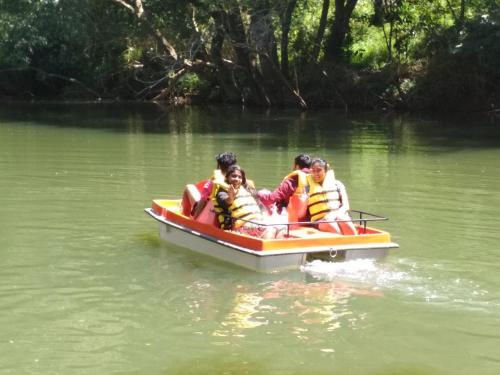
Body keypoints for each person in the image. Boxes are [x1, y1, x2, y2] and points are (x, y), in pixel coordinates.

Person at [215, 165, 284, 239]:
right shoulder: (223, 192)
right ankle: (268, 248)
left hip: (256, 222)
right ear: (227, 177)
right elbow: (225, 201)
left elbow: (259, 205)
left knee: (282, 228)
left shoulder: (245, 190)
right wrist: (231, 197)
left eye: (239, 177)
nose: (237, 179)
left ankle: (278, 248)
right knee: (270, 230)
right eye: (233, 176)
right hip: (242, 225)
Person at [306, 158, 357, 235]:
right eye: (313, 171)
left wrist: (334, 215)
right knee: (330, 224)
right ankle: (341, 243)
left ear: (325, 170)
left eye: (319, 170)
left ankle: (354, 241)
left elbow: (346, 206)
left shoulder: (338, 184)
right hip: (320, 221)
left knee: (343, 219)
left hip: (338, 215)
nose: (316, 173)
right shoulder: (307, 188)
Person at [257, 154, 311, 227]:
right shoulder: (314, 179)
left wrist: (254, 194)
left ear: (296, 166)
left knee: (262, 193)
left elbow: (270, 199)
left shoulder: (292, 180)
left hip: (291, 219)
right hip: (309, 219)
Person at [181, 152, 237, 221]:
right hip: (229, 214)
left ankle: (185, 215)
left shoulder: (213, 182)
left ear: (219, 166)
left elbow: (202, 202)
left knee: (189, 187)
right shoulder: (239, 180)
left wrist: (194, 220)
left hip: (208, 214)